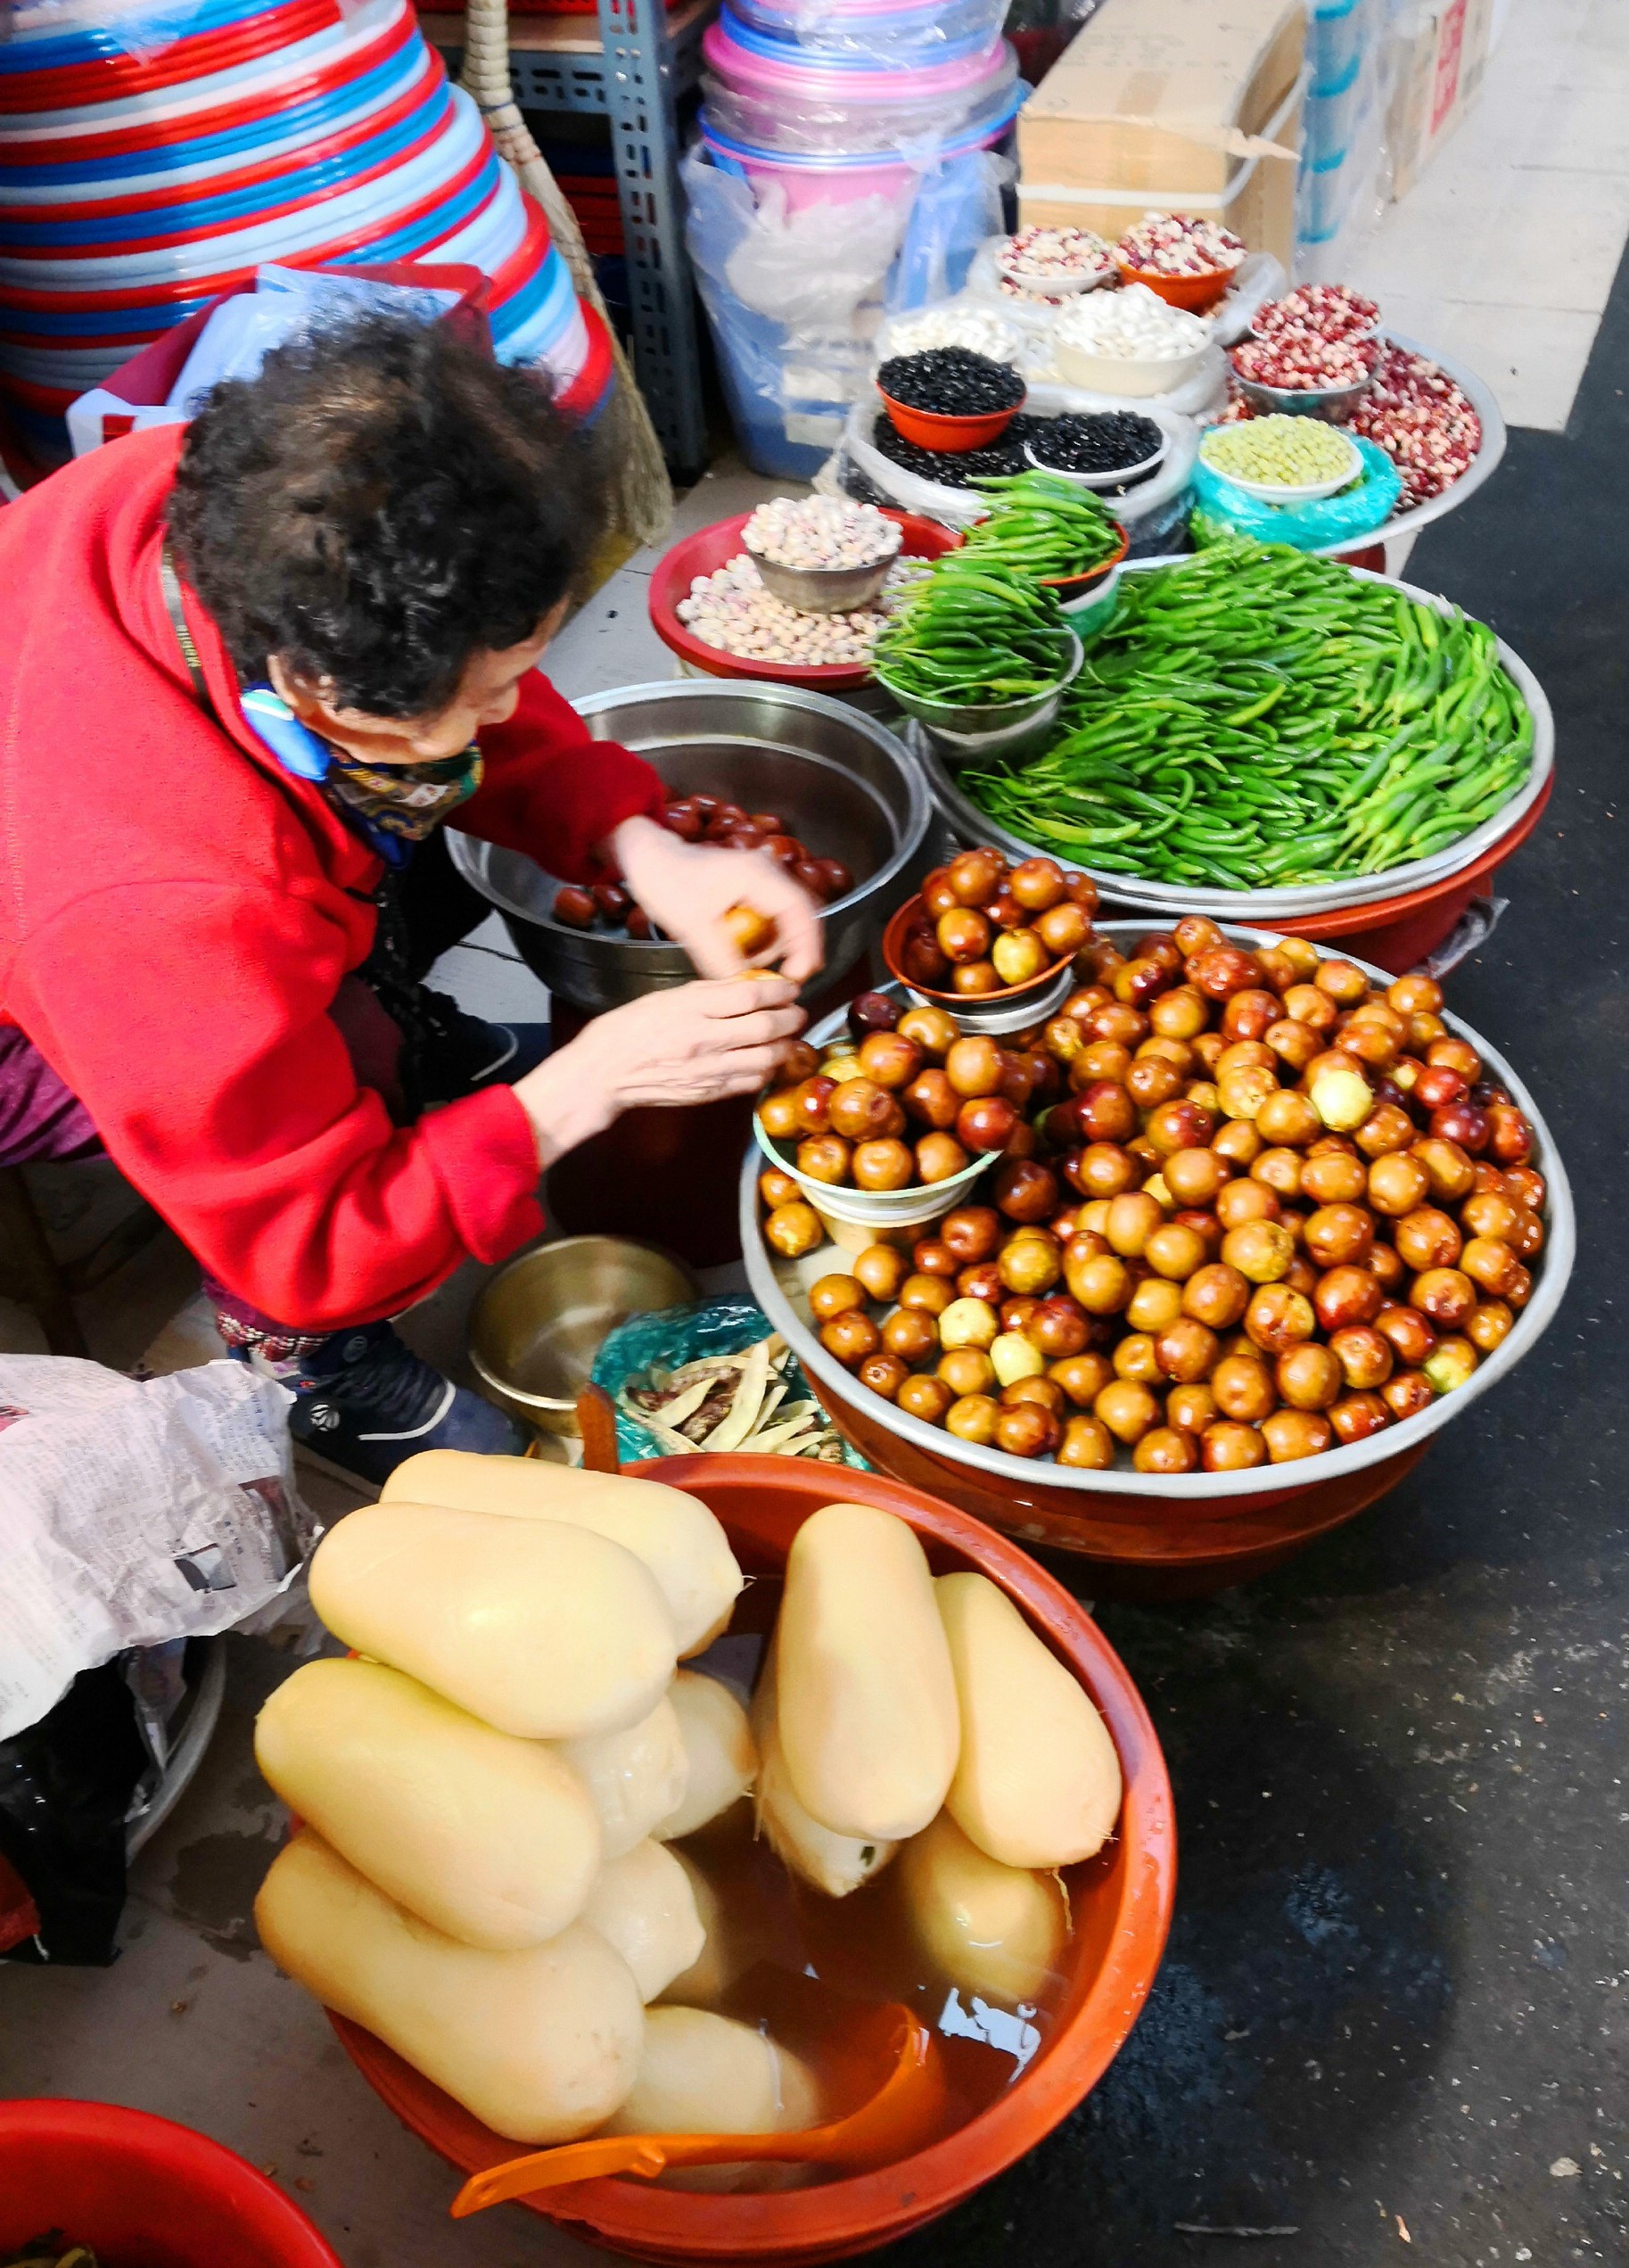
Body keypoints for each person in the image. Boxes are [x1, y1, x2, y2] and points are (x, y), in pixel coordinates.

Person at [0, 311, 819, 1481]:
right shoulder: (160, 913)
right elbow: (306, 1238)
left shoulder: (231, 509)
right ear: (317, 691)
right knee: (313, 1141)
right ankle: (319, 1372)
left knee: (391, 916)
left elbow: (458, 656)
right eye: (486, 696)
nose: (508, 712)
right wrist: (582, 1087)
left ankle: (420, 1089)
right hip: (38, 1005)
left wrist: (640, 843)